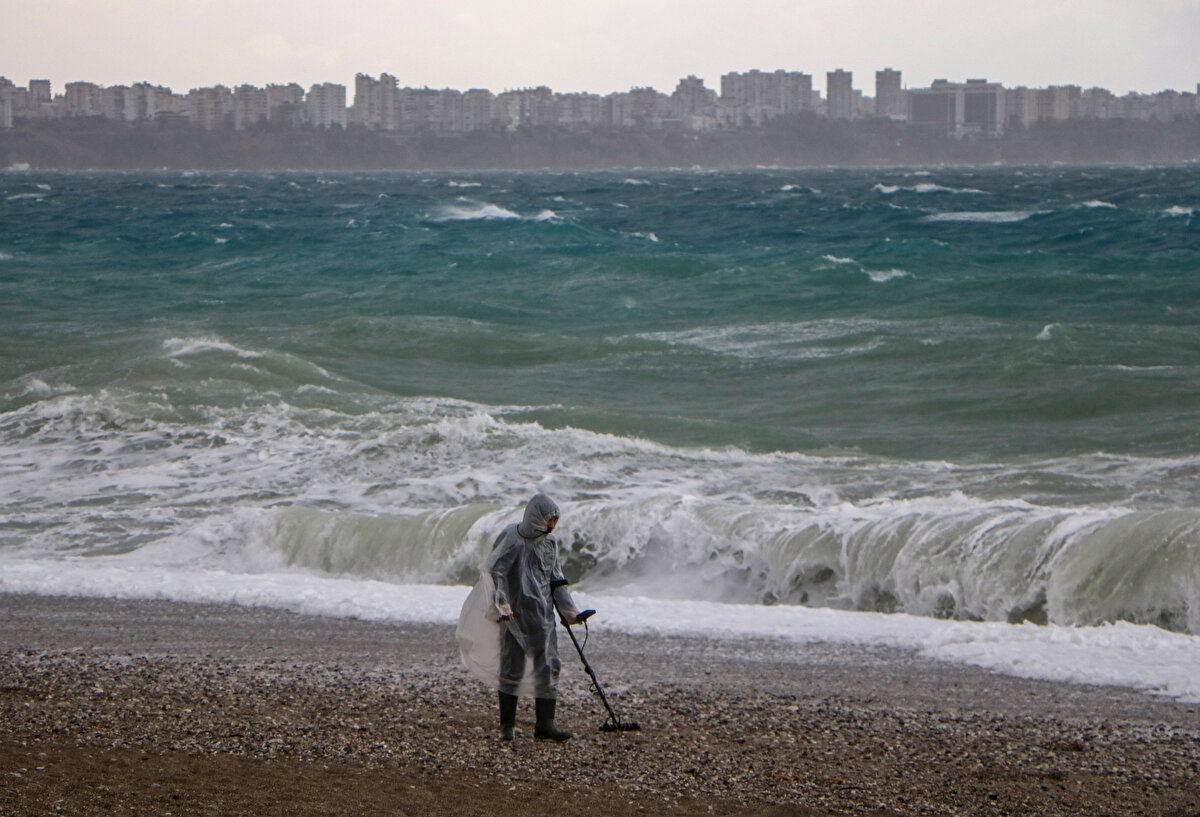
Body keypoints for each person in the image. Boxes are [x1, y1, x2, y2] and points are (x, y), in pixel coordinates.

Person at [456, 493, 585, 742]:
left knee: (547, 666)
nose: (552, 526)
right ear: (537, 517)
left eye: (555, 521)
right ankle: (507, 726)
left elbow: (556, 579)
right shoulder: (512, 538)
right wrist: (501, 602)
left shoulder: (550, 544)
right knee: (511, 668)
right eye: (550, 520)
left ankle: (545, 725)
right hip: (513, 616)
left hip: (542, 616)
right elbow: (497, 571)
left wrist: (570, 611)